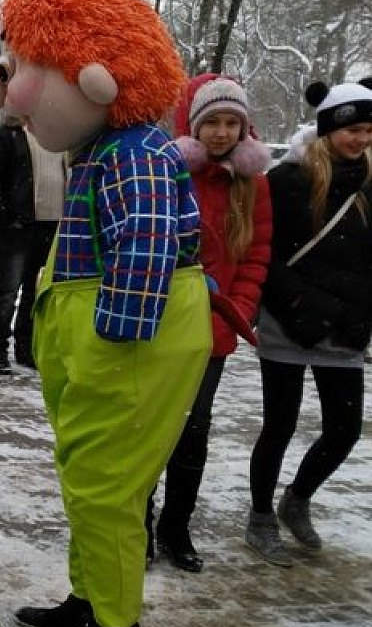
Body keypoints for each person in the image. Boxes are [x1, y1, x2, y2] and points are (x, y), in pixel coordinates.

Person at [0, 0, 211, 627]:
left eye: (37, 69)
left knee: (107, 484)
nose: (13, 91)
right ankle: (92, 598)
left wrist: (114, 334)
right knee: (87, 476)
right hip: (96, 336)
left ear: (103, 74)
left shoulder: (138, 153)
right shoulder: (100, 150)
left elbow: (147, 244)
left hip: (128, 340)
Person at [147, 74, 272, 573]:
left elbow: (257, 255)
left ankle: (176, 527)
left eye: (231, 123)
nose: (221, 133)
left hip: (213, 330)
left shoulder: (252, 185)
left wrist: (235, 307)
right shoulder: (169, 174)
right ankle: (138, 526)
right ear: (191, 126)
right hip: (160, 325)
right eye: (212, 122)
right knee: (150, 431)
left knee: (193, 432)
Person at [245, 77, 372, 568]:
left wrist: (360, 311)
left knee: (344, 430)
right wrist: (299, 303)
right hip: (289, 320)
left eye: (367, 130)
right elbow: (264, 251)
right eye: (351, 129)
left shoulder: (369, 185)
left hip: (346, 324)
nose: (359, 139)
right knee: (279, 424)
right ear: (327, 129)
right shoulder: (288, 179)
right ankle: (260, 518)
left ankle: (296, 499)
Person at [0, 116, 62, 374]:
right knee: (6, 291)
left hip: (51, 226)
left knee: (35, 294)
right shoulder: (7, 134)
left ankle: (26, 348)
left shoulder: (61, 134)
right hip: (16, 228)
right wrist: (4, 218)